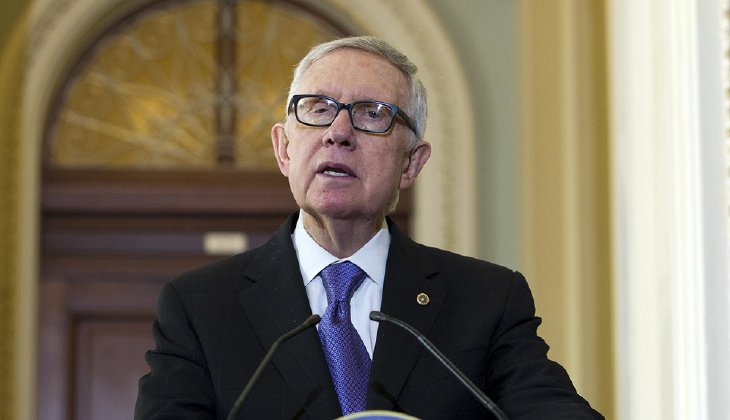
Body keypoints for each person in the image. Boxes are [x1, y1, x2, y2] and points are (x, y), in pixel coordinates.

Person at [134, 36, 603, 420]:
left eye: (372, 113)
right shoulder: (201, 307)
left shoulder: (486, 300)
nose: (338, 132)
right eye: (318, 108)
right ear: (284, 149)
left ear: (411, 163)